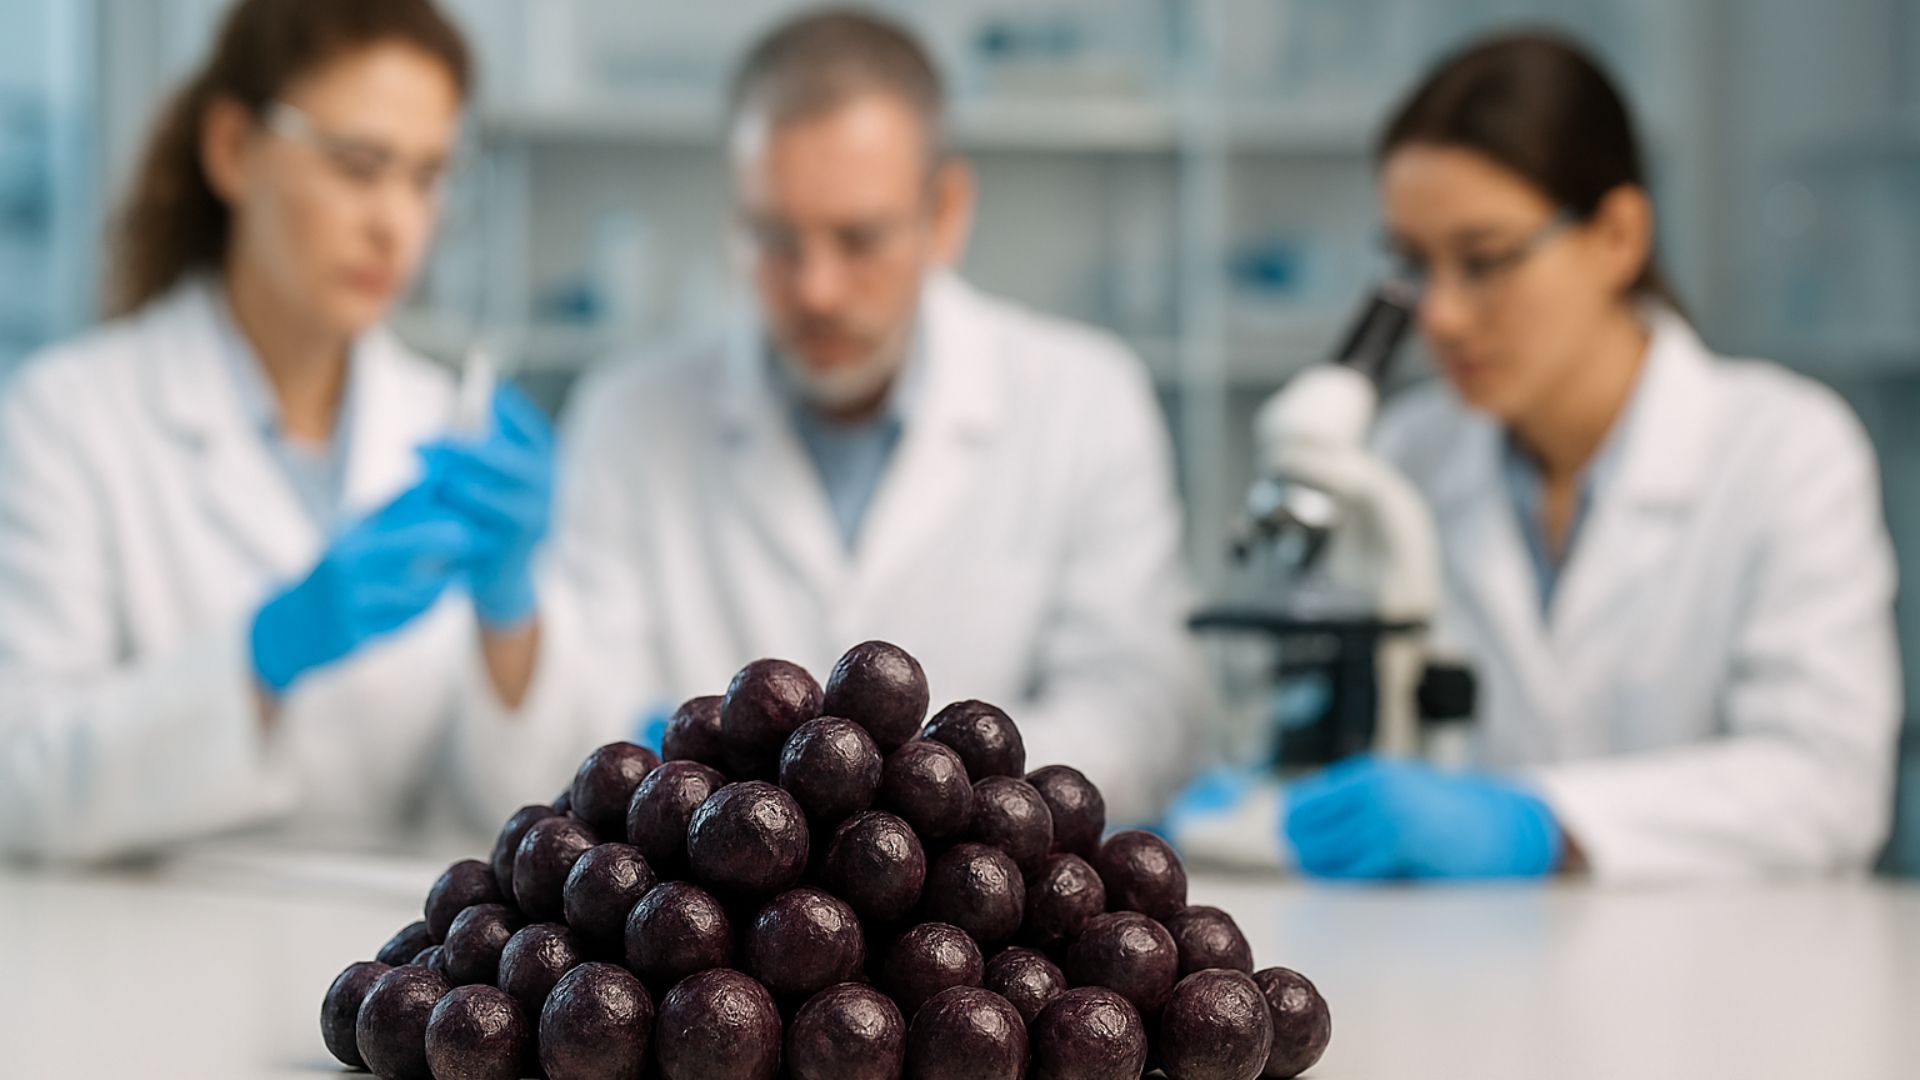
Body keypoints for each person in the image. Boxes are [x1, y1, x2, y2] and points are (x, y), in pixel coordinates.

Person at [466, 10, 1203, 825]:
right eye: (775, 237)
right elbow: (576, 747)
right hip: (717, 915)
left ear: (946, 211)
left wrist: (904, 801)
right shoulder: (626, 414)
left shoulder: (1084, 400)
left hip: (972, 911)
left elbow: (1136, 706)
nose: (815, 287)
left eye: (858, 239)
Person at [1278, 35, 1900, 882]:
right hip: (1473, 970)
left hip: (1739, 979)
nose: (1444, 316)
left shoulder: (1785, 449)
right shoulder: (1409, 454)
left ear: (1617, 234)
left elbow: (1828, 788)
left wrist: (1544, 822)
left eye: (1485, 260)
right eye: (1415, 266)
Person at [0, 0, 555, 860]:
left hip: (400, 973)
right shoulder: (67, 417)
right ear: (232, 148)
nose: (395, 223)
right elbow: (20, 785)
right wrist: (262, 657)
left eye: (425, 176)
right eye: (358, 165)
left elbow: (522, 826)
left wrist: (510, 622)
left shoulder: (449, 425)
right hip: (132, 952)